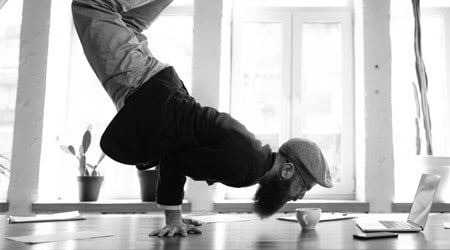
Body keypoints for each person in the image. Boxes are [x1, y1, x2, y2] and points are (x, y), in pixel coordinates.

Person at [72, 0, 333, 238]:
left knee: (125, 22)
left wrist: (178, 216)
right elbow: (174, 159)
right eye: (304, 187)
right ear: (287, 170)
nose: (299, 196)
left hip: (154, 83)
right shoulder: (246, 168)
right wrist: (174, 218)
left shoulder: (253, 157)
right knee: (92, 6)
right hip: (139, 81)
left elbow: (182, 150)